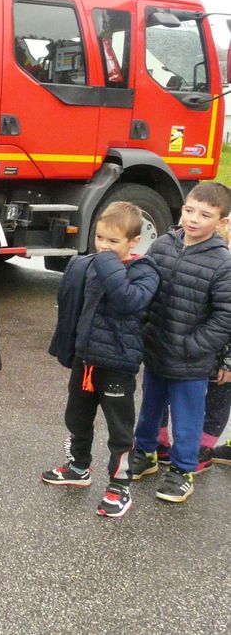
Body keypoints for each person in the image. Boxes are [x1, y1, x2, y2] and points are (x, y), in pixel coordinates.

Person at [40, 201, 159, 518]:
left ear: (134, 242)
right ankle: (78, 467)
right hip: (86, 360)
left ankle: (120, 487)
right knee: (77, 417)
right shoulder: (91, 265)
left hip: (117, 364)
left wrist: (106, 263)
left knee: (120, 429)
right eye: (100, 239)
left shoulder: (145, 271)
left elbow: (127, 300)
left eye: (113, 242)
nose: (104, 247)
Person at [129, 182, 231, 503]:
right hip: (157, 349)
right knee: (150, 408)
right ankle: (145, 453)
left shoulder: (222, 263)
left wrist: (194, 345)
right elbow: (145, 287)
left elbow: (225, 316)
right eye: (189, 210)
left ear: (222, 222)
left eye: (205, 214)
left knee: (188, 417)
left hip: (191, 359)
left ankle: (182, 470)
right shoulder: (162, 245)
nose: (194, 219)